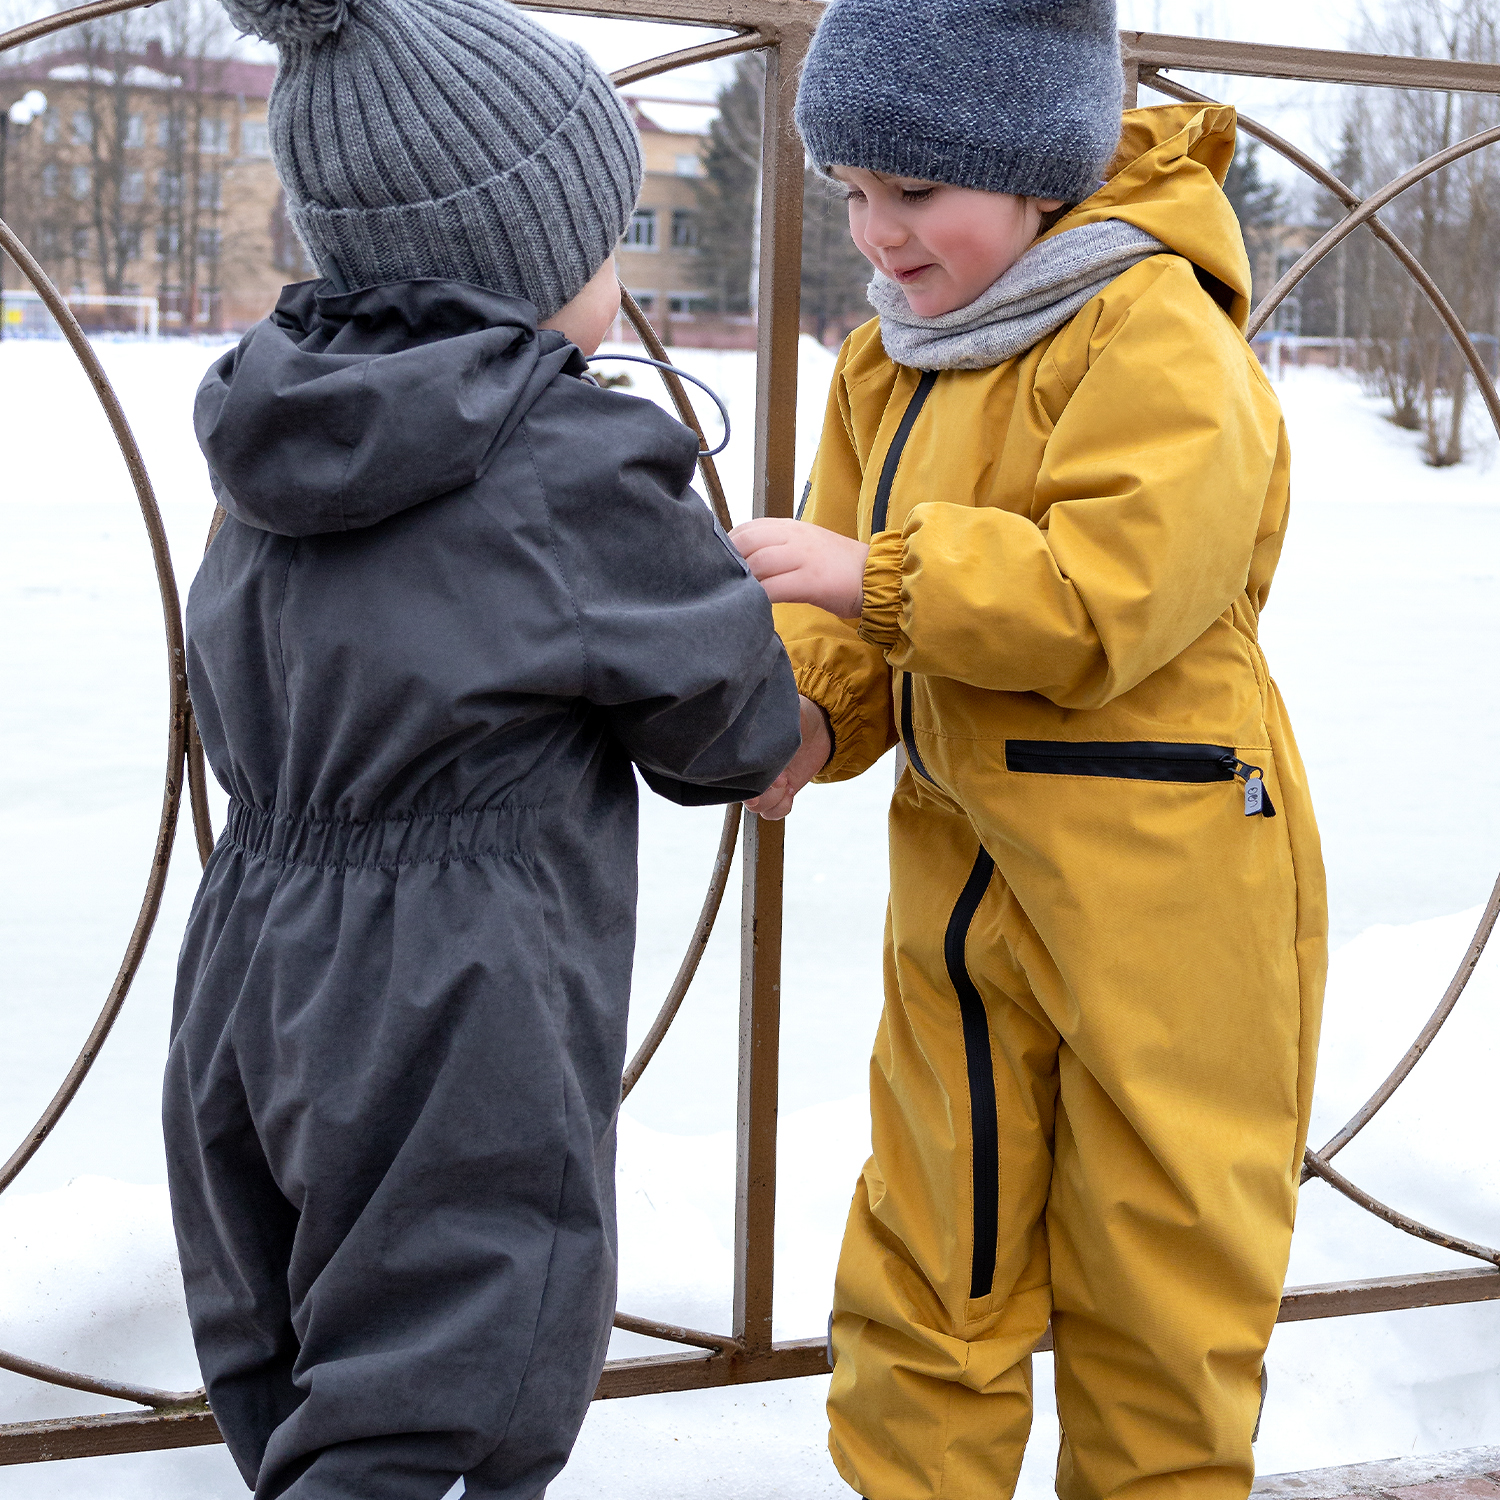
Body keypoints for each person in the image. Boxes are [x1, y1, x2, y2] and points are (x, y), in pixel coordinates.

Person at [163, 1, 802, 1495]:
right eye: (606, 239)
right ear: (526, 261)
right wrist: (784, 701)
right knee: (459, 1356)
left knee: (297, 1337)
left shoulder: (275, 429)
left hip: (253, 941)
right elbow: (724, 722)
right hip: (460, 983)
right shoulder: (569, 459)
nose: (616, 274)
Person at [732, 2, 1328, 1497]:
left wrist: (863, 575)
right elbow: (854, 610)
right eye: (855, 194)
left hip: (1167, 892)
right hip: (961, 902)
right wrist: (815, 706)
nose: (878, 236)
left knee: (1162, 1277)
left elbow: (1107, 592)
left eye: (916, 195)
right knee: (926, 1263)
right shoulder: (894, 358)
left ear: (1038, 170)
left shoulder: (1153, 329)